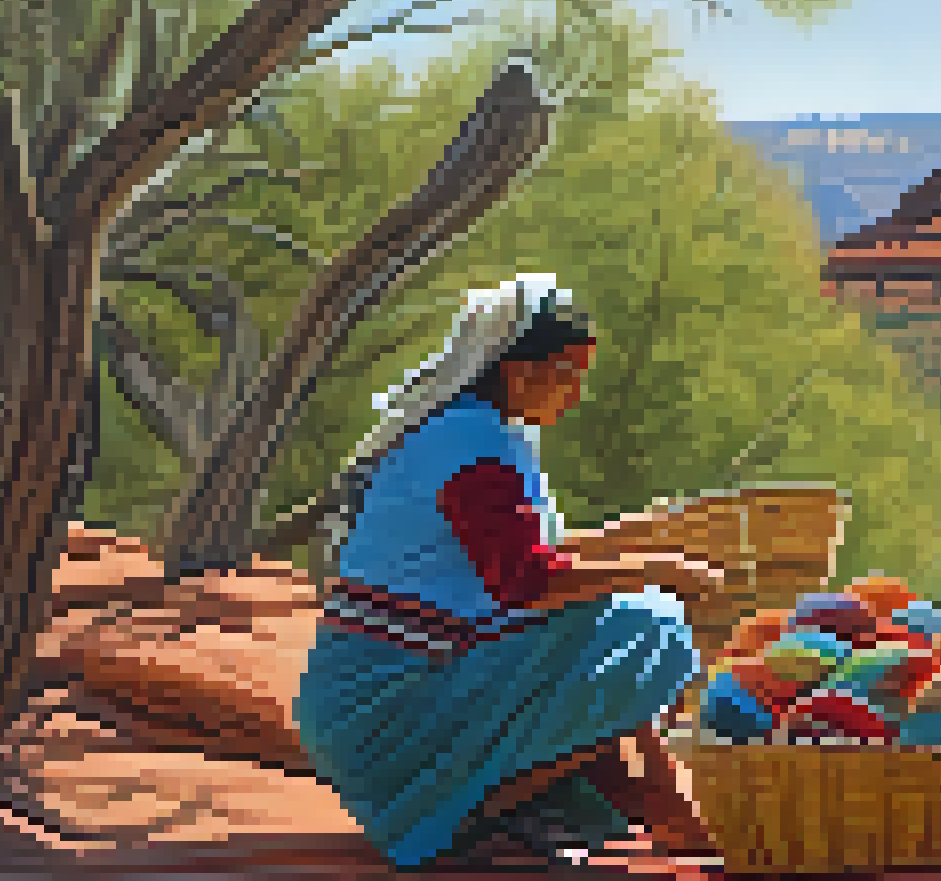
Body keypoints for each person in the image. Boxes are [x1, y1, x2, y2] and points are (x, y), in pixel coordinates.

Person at [292, 274, 731, 873]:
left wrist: (643, 541)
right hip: (387, 709)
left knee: (624, 613)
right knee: (648, 624)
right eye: (569, 374)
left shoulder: (471, 430)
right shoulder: (473, 447)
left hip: (381, 701)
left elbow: (518, 554)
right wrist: (655, 567)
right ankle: (646, 797)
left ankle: (629, 796)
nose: (576, 394)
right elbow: (529, 582)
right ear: (521, 372)